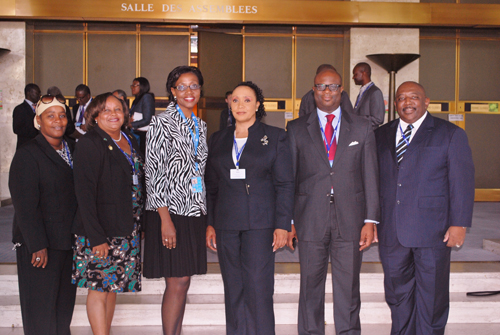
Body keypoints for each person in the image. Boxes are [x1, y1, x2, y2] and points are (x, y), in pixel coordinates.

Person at [375, 81, 475, 335]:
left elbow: (461, 182)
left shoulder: (449, 133)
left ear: (426, 101)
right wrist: (372, 221)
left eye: (414, 97)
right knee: (397, 294)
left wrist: (459, 223)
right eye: (401, 98)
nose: (407, 103)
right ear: (394, 104)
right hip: (392, 230)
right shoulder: (380, 134)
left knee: (432, 296)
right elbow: (374, 181)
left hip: (433, 230)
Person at [286, 69, 379, 335]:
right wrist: (289, 221)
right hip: (309, 219)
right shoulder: (295, 129)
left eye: (333, 86)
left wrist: (370, 220)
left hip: (350, 219)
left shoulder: (362, 127)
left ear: (341, 91)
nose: (327, 92)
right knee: (309, 288)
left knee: (348, 287)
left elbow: (370, 176)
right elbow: (289, 179)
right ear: (313, 90)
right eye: (321, 87)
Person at [205, 82, 294, 334]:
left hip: (261, 224)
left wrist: (282, 224)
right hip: (226, 223)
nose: (240, 105)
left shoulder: (275, 137)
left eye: (247, 100)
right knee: (233, 287)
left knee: (258, 286)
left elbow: (285, 184)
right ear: (229, 104)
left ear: (257, 105)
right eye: (235, 100)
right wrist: (211, 223)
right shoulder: (218, 138)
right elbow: (211, 186)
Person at [72, 92, 143, 335]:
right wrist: (96, 238)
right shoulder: (89, 143)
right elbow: (84, 195)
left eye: (118, 109)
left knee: (112, 286)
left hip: (125, 226)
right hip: (101, 231)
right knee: (98, 287)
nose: (113, 114)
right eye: (106, 110)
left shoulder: (128, 139)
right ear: (95, 115)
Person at [144, 65, 208, 335]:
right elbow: (153, 172)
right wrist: (165, 220)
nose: (189, 91)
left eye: (194, 85)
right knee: (177, 280)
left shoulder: (200, 125)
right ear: (172, 91)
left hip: (194, 210)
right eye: (182, 86)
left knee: (184, 280)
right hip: (169, 211)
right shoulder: (160, 123)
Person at [9, 94, 77, 335]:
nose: (58, 120)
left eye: (61, 115)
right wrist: (37, 244)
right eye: (50, 116)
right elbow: (25, 205)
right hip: (39, 246)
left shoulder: (73, 148)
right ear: (38, 121)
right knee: (40, 311)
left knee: (62, 309)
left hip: (67, 242)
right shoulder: (28, 154)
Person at [352, 62, 385, 129]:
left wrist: (356, 118)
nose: (353, 77)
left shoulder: (375, 92)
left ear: (364, 73)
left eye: (355, 74)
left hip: (370, 136)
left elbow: (378, 119)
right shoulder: (362, 91)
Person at [130, 77, 155, 154]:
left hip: (143, 136)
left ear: (142, 86)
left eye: (135, 85)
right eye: (132, 85)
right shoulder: (136, 99)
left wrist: (131, 124)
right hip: (136, 133)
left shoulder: (147, 97)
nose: (132, 87)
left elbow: (147, 119)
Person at [12, 83, 41, 149]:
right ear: (29, 93)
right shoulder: (19, 109)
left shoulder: (40, 108)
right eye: (37, 93)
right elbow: (17, 129)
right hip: (25, 146)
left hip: (38, 146)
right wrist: (36, 131)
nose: (39, 95)